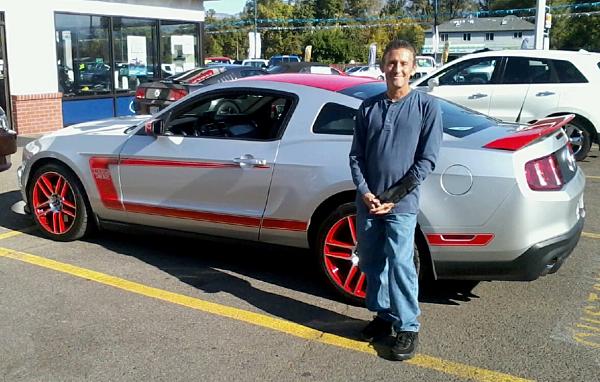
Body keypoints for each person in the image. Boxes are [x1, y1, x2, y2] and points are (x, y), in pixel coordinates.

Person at [349, 40, 442, 361]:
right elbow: (356, 157)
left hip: (401, 204)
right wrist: (366, 193)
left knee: (401, 264)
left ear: (413, 68)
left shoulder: (426, 108)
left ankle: (408, 326)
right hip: (369, 203)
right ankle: (384, 316)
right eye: (391, 63)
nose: (397, 69)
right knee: (372, 261)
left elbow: (426, 161)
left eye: (403, 63)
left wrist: (392, 197)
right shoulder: (369, 108)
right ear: (382, 67)